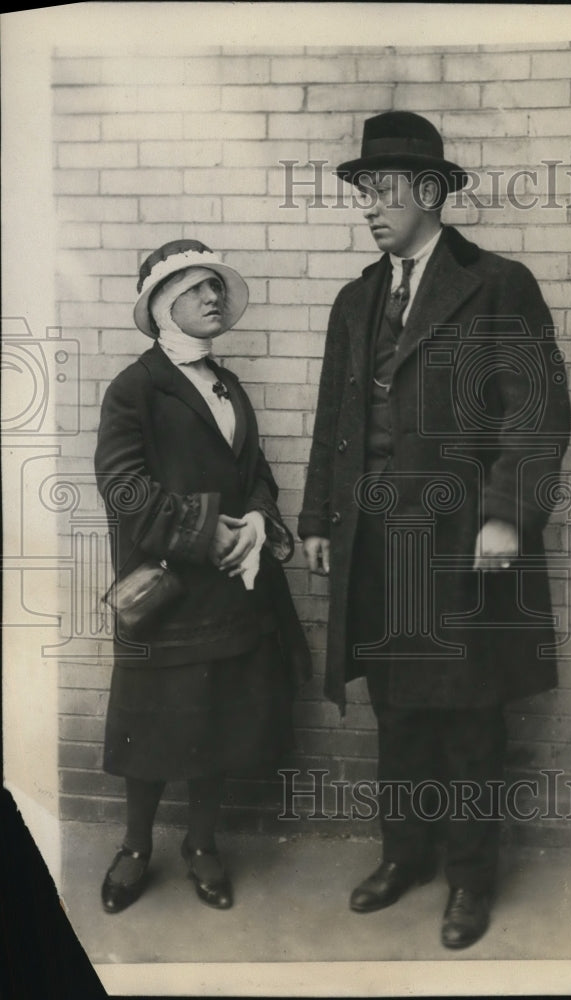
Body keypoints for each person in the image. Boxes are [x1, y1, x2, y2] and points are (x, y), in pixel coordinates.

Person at [299, 112, 571, 949]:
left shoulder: (495, 283)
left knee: (466, 719)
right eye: (362, 192)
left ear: (429, 192)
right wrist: (318, 518)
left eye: (381, 190)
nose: (369, 207)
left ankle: (469, 881)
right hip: (377, 546)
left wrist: (504, 515)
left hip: (457, 543)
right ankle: (404, 855)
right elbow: (335, 420)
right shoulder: (355, 299)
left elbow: (537, 412)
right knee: (398, 712)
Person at [94, 239, 310, 914]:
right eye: (195, 289)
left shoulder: (226, 383)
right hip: (171, 590)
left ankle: (201, 843)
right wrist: (202, 530)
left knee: (216, 722)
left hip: (230, 589)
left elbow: (258, 475)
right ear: (163, 305)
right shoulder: (137, 388)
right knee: (150, 727)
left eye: (216, 287)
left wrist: (255, 519)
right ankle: (134, 848)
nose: (213, 297)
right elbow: (122, 487)